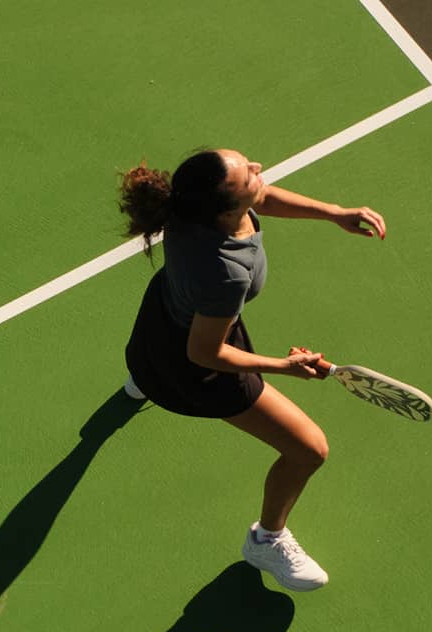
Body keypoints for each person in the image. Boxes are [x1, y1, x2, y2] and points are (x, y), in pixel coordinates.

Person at [118, 149, 386, 591]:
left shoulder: (192, 206)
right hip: (197, 361)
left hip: (164, 319)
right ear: (226, 209)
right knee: (310, 449)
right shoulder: (225, 273)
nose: (259, 169)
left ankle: (144, 380)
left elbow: (258, 199)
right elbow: (206, 353)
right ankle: (266, 540)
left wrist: (334, 213)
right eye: (248, 177)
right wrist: (284, 366)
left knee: (154, 366)